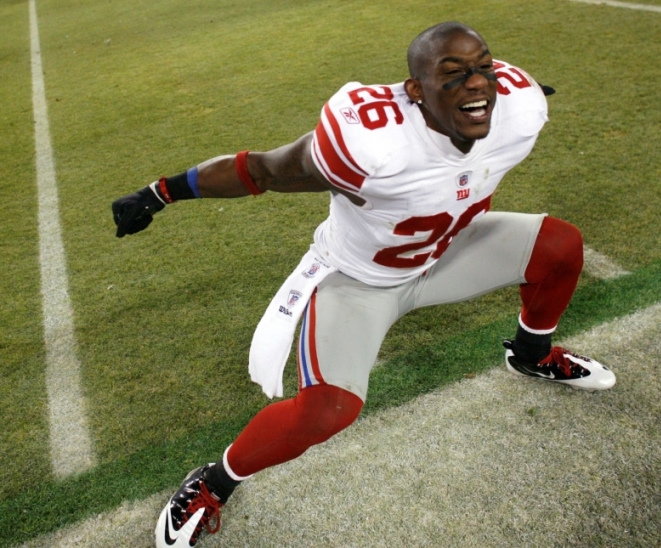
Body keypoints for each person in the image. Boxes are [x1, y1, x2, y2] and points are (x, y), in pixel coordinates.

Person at [112, 21, 616, 548]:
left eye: (483, 68)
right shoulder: (372, 144)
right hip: (359, 281)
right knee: (327, 410)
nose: (477, 84)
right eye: (453, 73)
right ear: (415, 91)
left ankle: (531, 354)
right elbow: (263, 170)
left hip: (445, 253)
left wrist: (487, 95)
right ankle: (212, 483)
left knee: (559, 246)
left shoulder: (518, 109)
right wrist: (161, 192)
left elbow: (492, 98)